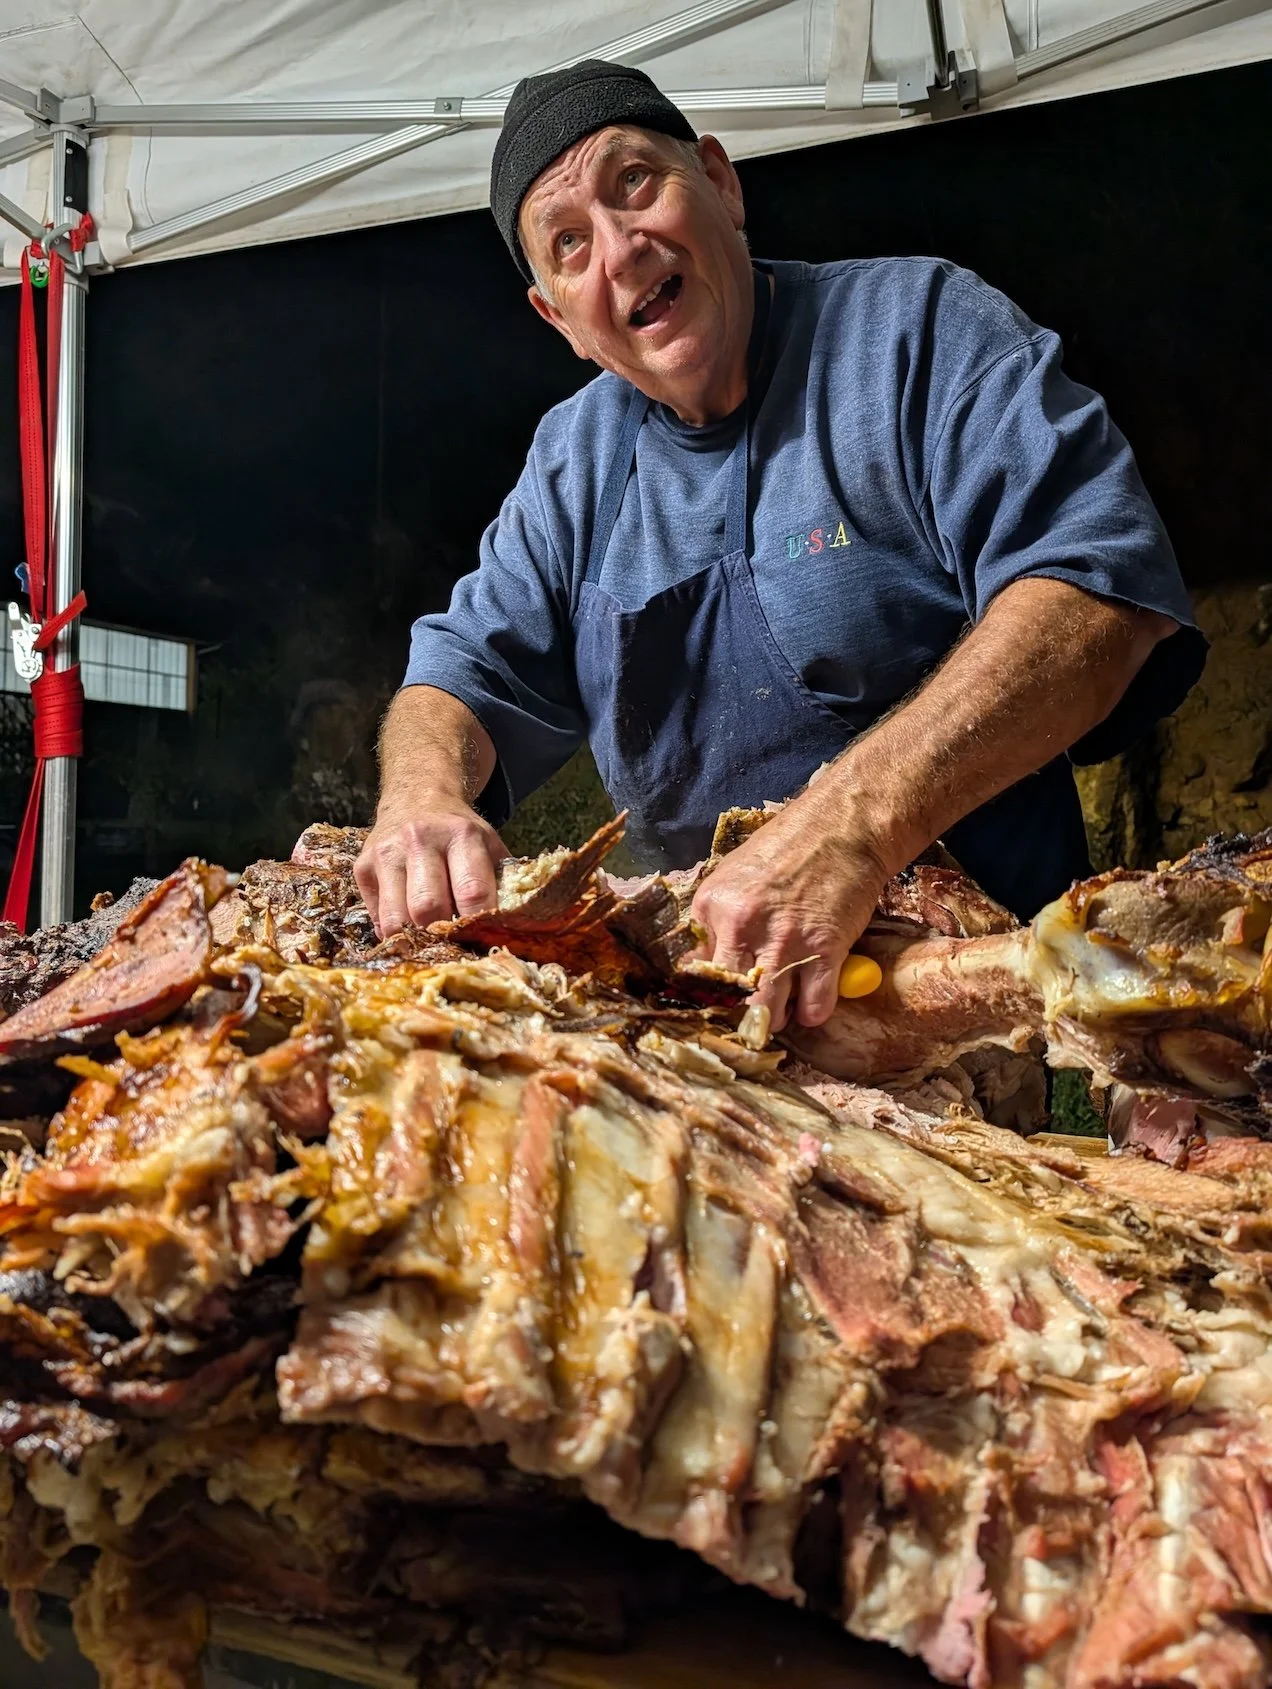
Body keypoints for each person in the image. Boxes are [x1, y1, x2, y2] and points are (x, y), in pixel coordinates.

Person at [354, 59, 1205, 1032]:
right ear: (560, 320)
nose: (621, 250)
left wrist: (851, 827)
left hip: (960, 1003)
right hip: (708, 1008)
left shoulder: (915, 333)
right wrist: (419, 793)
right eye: (569, 243)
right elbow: (460, 668)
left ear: (721, 184)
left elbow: (1094, 588)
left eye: (635, 182)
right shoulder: (572, 463)